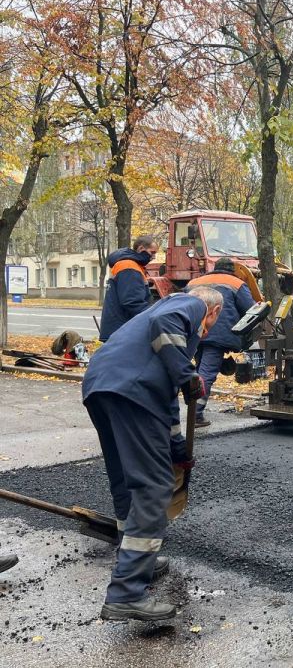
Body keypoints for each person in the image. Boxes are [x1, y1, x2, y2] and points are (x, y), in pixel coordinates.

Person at [82, 286, 222, 622]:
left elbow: (168, 402)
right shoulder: (188, 304)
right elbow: (165, 323)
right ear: (213, 312)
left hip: (102, 386)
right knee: (155, 487)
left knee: (126, 480)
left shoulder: (156, 334)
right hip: (132, 391)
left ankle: (133, 556)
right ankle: (127, 592)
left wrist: (178, 450)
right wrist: (189, 376)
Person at [186, 258, 256, 427]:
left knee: (197, 370)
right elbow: (251, 309)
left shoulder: (193, 282)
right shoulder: (236, 283)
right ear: (232, 270)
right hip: (218, 335)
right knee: (207, 374)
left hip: (195, 333)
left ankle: (192, 409)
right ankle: (196, 415)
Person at [99, 235, 158, 342]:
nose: (153, 257)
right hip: (123, 330)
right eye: (152, 252)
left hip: (119, 328)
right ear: (141, 249)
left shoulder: (130, 265)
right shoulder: (129, 266)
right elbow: (132, 302)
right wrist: (154, 315)